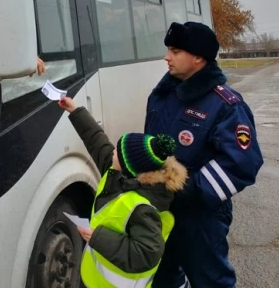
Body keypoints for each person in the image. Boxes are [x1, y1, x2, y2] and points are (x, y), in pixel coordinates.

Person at [146, 22, 263, 288]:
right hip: (159, 210)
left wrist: (185, 189)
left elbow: (242, 164)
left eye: (175, 51)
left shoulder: (226, 104)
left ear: (198, 57)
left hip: (201, 218)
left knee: (211, 281)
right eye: (168, 50)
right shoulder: (162, 95)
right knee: (162, 278)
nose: (167, 57)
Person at [58, 96, 188, 288]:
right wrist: (75, 110)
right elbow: (97, 141)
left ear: (130, 168)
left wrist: (97, 237)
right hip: (95, 279)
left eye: (117, 152)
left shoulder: (143, 208)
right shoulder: (118, 175)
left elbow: (147, 253)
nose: (113, 152)